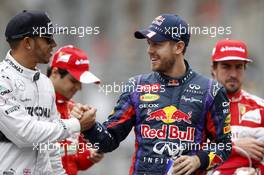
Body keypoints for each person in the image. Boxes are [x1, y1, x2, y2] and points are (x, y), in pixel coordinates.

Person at [82, 13, 232, 175]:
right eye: (149, 44)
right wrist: (89, 126)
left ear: (178, 47)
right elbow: (108, 141)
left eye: (157, 44)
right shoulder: (136, 86)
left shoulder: (211, 91)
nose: (149, 50)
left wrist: (198, 160)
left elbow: (224, 145)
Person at [0, 10, 96, 174]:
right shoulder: (3, 79)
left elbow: (51, 145)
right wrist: (77, 125)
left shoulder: (45, 83)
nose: (54, 44)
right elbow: (25, 134)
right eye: (48, 38)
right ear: (28, 43)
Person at [47, 45, 104, 175]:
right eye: (74, 81)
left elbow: (74, 156)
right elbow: (36, 149)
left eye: (81, 82)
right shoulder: (34, 103)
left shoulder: (73, 108)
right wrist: (72, 126)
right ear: (55, 73)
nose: (79, 88)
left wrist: (91, 152)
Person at [211, 39, 264, 175]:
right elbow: (185, 150)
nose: (233, 74)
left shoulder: (260, 108)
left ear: (245, 69)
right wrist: (235, 147)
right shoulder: (196, 107)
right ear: (213, 69)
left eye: (239, 67)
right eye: (226, 66)